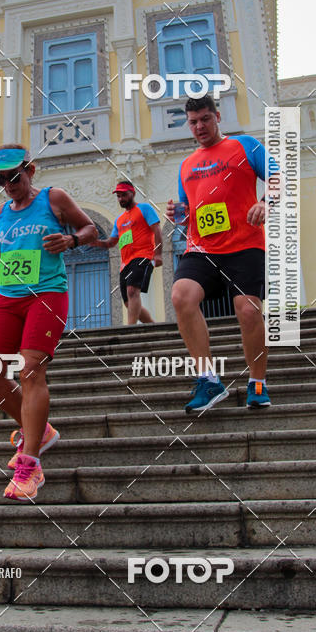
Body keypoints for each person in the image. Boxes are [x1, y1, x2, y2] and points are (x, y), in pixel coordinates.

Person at [0, 144, 97, 502]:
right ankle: (38, 432)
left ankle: (30, 464)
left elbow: (89, 228)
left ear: (31, 171)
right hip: (9, 297)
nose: (8, 183)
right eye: (1, 178)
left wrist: (71, 240)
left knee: (30, 370)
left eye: (14, 175)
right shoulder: (1, 213)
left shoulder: (54, 199)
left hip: (46, 294)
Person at [166, 95, 277, 412]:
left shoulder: (245, 146)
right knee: (180, 296)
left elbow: (279, 178)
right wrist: (179, 214)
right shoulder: (186, 165)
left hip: (244, 245)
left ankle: (257, 382)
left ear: (217, 116)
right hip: (202, 249)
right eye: (193, 122)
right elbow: (188, 212)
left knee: (248, 310)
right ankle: (209, 380)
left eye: (205, 119)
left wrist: (265, 202)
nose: (199, 126)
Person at [92, 181, 162, 324]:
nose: (121, 199)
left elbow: (157, 230)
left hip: (143, 256)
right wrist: (95, 242)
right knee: (128, 303)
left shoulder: (144, 209)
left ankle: (129, 330)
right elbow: (111, 242)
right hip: (125, 264)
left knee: (132, 292)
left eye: (124, 195)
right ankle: (152, 326)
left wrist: (158, 253)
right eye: (118, 196)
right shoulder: (119, 220)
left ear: (133, 193)